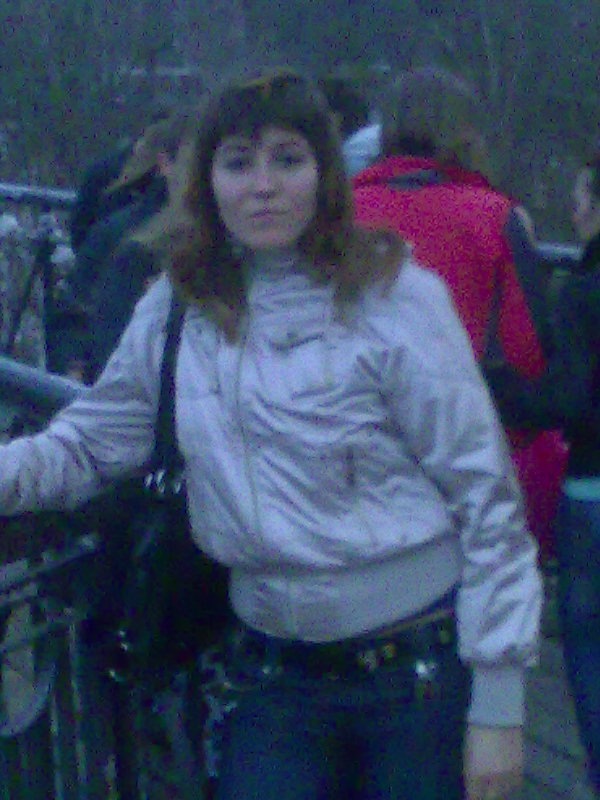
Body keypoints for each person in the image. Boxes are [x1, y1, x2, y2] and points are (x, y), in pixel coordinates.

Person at [0, 68, 541, 800]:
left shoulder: (395, 299)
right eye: (238, 162)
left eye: (288, 159)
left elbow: (486, 496)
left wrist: (499, 705)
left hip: (413, 681)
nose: (263, 186)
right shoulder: (180, 309)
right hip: (271, 679)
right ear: (207, 181)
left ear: (324, 172)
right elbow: (91, 442)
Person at [352, 66, 568, 566]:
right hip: (467, 454)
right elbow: (527, 352)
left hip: (359, 452)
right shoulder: (494, 217)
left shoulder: (339, 215)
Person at [486, 152, 600, 795]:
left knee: (587, 648)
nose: (575, 209)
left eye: (583, 196)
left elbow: (566, 400)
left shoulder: (584, 291)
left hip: (592, 491)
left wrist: (500, 384)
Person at [47, 109, 196, 382]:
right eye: (194, 164)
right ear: (165, 164)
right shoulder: (114, 235)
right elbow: (71, 312)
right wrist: (74, 371)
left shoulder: (236, 244)